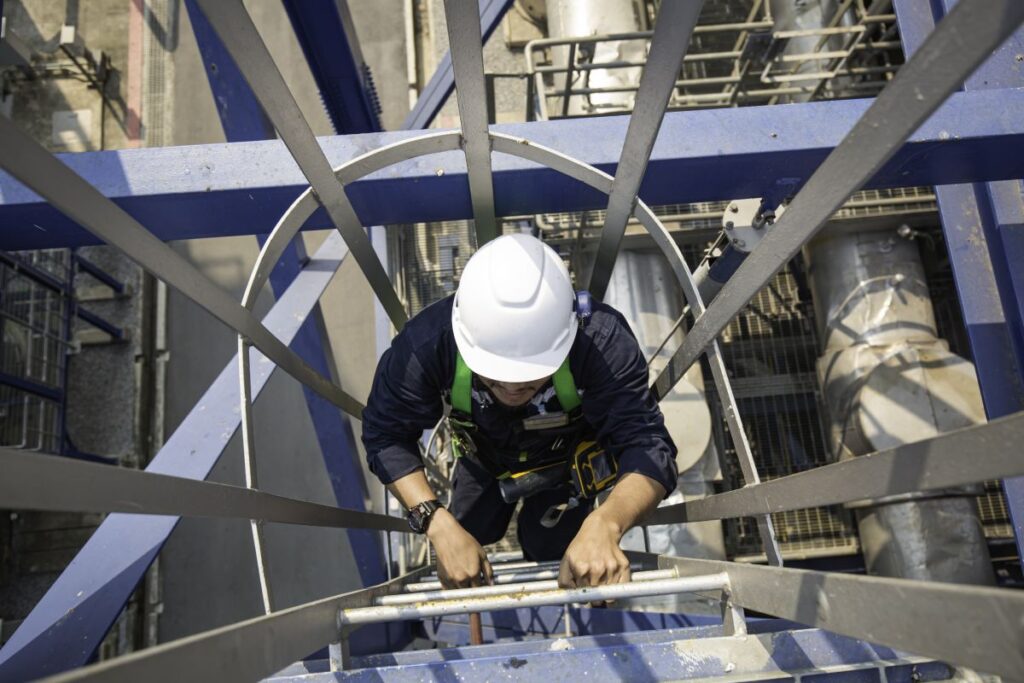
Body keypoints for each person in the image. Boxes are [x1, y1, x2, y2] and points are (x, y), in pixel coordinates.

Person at [362, 233, 677, 590]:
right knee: (470, 530)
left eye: (530, 375)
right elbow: (384, 433)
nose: (512, 388)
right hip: (482, 459)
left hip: (565, 465)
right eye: (495, 376)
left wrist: (608, 522)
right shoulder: (429, 343)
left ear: (567, 335)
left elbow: (648, 446)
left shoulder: (601, 341)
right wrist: (434, 519)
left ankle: (549, 547)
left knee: (550, 548)